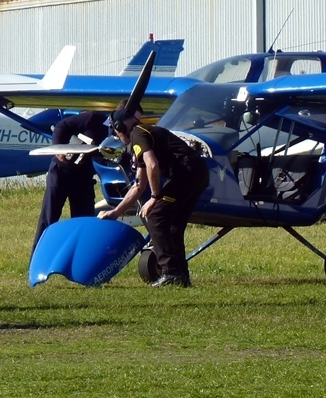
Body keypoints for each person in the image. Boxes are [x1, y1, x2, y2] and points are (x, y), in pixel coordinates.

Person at [100, 105, 209, 287]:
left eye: (116, 131)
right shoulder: (143, 137)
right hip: (197, 173)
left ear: (119, 126)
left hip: (187, 173)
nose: (117, 136)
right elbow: (139, 185)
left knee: (156, 216)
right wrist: (117, 211)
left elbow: (152, 165)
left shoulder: (137, 134)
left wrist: (155, 197)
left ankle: (171, 272)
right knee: (173, 225)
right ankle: (181, 276)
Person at [32, 110, 109, 254]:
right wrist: (58, 149)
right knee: (49, 217)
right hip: (61, 172)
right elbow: (62, 126)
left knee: (84, 221)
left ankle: (81, 260)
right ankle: (38, 257)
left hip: (84, 178)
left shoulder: (123, 135)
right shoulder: (92, 118)